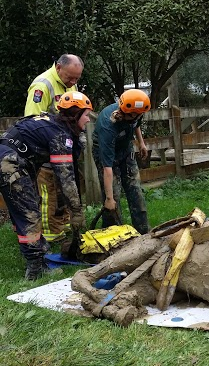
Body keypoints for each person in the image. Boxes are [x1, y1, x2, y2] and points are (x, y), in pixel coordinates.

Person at [0, 92, 91, 279]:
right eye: (87, 115)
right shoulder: (60, 135)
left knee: (27, 208)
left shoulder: (51, 122)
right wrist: (76, 212)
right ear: (75, 114)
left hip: (11, 160)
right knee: (30, 214)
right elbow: (66, 179)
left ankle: (38, 252)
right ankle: (36, 269)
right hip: (9, 163)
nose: (89, 120)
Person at [24, 54, 85, 242]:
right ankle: (48, 235)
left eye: (77, 78)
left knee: (64, 190)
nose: (73, 82)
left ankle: (64, 226)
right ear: (58, 68)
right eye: (70, 77)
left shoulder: (69, 83)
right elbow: (32, 122)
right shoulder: (42, 86)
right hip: (45, 153)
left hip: (63, 148)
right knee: (48, 192)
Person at [92, 89, 151, 234]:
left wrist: (141, 143)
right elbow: (107, 168)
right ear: (125, 113)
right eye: (135, 115)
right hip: (106, 152)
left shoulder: (136, 111)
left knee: (135, 189)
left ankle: (143, 232)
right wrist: (109, 198)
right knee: (113, 198)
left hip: (126, 149)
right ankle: (113, 233)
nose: (139, 116)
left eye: (140, 115)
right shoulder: (107, 126)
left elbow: (136, 124)